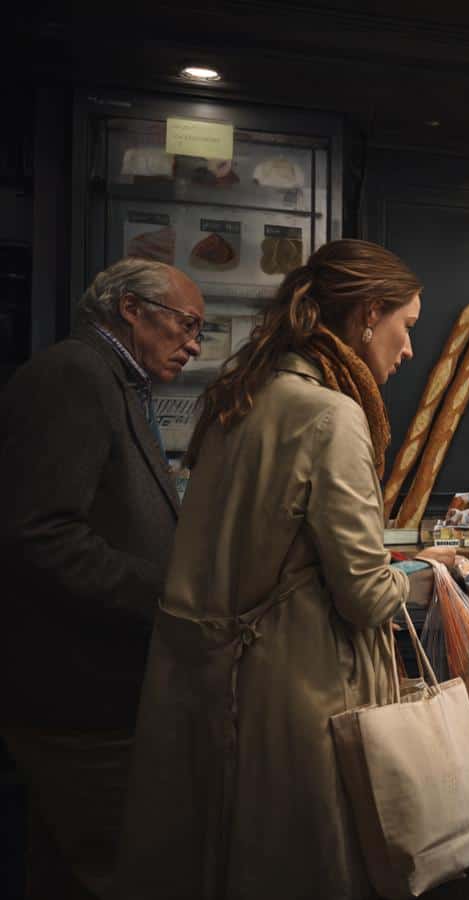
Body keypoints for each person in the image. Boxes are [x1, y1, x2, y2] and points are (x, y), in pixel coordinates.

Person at [114, 240, 458, 900]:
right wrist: (423, 571)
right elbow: (362, 596)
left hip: (211, 687)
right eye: (406, 327)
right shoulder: (332, 414)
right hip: (301, 696)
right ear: (368, 314)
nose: (409, 349)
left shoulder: (238, 397)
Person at [0, 258, 204, 900]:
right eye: (187, 323)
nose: (196, 343)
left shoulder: (115, 379)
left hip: (103, 692)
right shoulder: (72, 374)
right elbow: (40, 533)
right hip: (80, 698)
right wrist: (168, 597)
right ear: (130, 309)